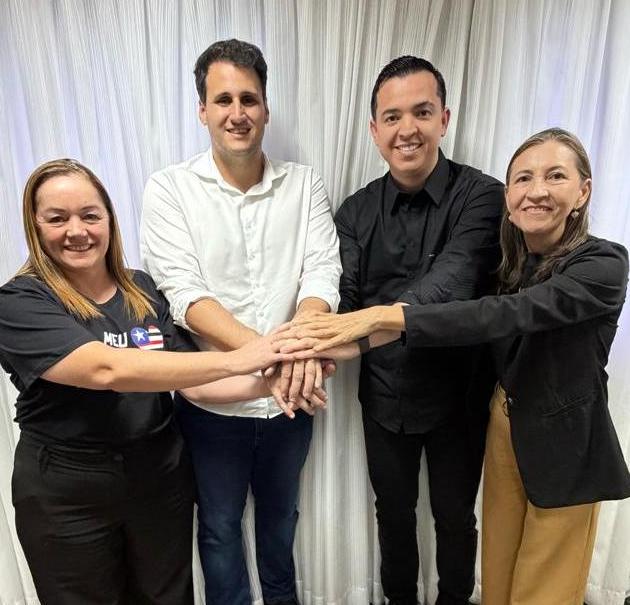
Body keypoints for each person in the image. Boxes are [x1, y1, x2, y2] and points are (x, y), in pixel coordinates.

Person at [286, 128, 630, 605]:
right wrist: (324, 344)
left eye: (555, 176)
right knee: (497, 576)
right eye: (523, 178)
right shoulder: (511, 265)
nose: (536, 191)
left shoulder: (604, 263)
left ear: (583, 191)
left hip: (565, 446)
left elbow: (503, 314)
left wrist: (381, 317)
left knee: (543, 587)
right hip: (504, 424)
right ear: (509, 196)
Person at [0, 158, 301, 605]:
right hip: (69, 493)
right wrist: (244, 358)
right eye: (57, 218)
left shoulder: (140, 288)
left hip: (159, 480)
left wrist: (271, 385)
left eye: (89, 215)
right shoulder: (21, 300)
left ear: (109, 219)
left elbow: (193, 383)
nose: (77, 231)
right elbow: (107, 370)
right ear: (35, 226)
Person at [140, 39, 341, 605]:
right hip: (213, 407)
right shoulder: (169, 189)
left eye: (248, 99)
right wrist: (277, 358)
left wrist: (286, 361)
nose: (237, 112)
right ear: (202, 110)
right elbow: (186, 296)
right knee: (220, 530)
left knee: (281, 526)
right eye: (223, 100)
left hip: (290, 403)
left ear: (266, 109)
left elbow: (321, 276)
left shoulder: (305, 184)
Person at [329, 55, 504, 605]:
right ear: (374, 129)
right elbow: (344, 300)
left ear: (444, 119)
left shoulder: (483, 195)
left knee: (455, 517)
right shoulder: (354, 213)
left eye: (422, 112)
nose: (408, 129)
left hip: (461, 395)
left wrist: (363, 329)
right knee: (393, 515)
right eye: (393, 116)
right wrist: (311, 347)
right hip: (385, 396)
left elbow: (453, 282)